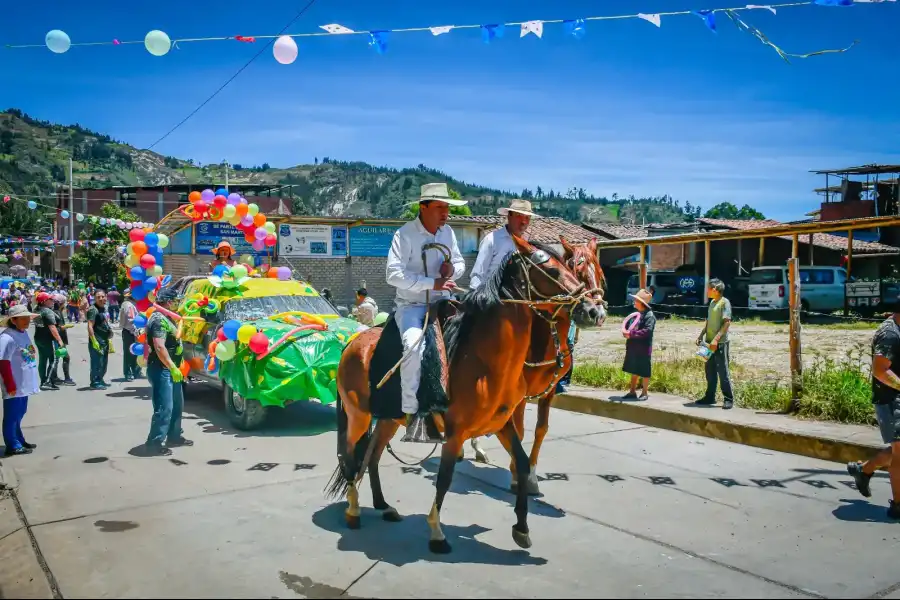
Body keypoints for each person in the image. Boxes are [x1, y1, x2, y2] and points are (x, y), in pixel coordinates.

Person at [386, 182, 466, 444]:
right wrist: (431, 283)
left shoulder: (448, 233)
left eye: (447, 208)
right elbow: (393, 275)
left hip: (444, 301)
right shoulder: (405, 234)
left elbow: (460, 262)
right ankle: (413, 415)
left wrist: (451, 271)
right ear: (424, 207)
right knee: (412, 348)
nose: (446, 213)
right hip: (412, 306)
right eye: (440, 207)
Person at [847, 303, 900, 519]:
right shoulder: (890, 334)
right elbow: (880, 371)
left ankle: (865, 470)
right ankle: (898, 505)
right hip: (891, 399)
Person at [144, 287, 191, 456]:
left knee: (177, 405)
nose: (177, 304)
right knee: (165, 407)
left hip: (173, 369)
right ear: (168, 301)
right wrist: (171, 366)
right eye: (175, 301)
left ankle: (174, 436)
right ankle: (154, 442)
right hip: (162, 368)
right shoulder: (158, 319)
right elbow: (159, 345)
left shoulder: (167, 317)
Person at [469, 198, 537, 291]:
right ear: (509, 216)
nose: (523, 222)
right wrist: (476, 296)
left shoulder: (528, 244)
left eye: (527, 217)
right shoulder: (492, 240)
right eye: (519, 216)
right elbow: (478, 274)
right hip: (492, 299)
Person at [0, 305, 41, 457]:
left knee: (20, 412)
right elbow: (3, 362)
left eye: (28, 317)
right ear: (13, 320)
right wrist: (9, 383)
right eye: (22, 318)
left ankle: (19, 439)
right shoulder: (6, 337)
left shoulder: (22, 333)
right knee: (12, 415)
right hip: (14, 384)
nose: (27, 321)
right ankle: (12, 444)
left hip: (25, 382)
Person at [696, 279, 735, 410]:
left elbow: (727, 322)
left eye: (708, 288)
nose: (706, 291)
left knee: (723, 371)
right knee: (709, 370)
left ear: (715, 290)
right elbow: (708, 321)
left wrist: (716, 340)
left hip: (720, 343)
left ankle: (728, 399)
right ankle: (710, 396)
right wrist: (701, 335)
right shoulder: (712, 303)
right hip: (708, 343)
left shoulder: (725, 303)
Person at [622, 289, 656, 401]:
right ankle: (632, 391)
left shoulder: (649, 316)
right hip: (633, 346)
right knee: (633, 368)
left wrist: (631, 334)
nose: (634, 302)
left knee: (645, 369)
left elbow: (647, 331)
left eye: (636, 300)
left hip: (644, 347)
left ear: (642, 303)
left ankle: (645, 392)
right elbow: (628, 326)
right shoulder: (635, 315)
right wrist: (626, 332)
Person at [33, 292, 66, 391]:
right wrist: (59, 340)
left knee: (43, 360)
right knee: (54, 359)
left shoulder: (36, 310)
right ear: (44, 301)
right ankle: (47, 382)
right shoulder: (47, 311)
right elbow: (52, 327)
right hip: (48, 338)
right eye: (50, 300)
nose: (52, 301)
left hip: (38, 337)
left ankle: (43, 380)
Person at [87, 290, 113, 390]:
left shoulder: (103, 308)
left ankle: (100, 379)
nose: (101, 298)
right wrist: (93, 340)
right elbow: (90, 325)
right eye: (98, 297)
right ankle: (95, 382)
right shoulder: (93, 309)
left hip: (104, 340)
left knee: (103, 362)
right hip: (97, 340)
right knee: (97, 362)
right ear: (95, 298)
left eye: (103, 296)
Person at [50, 293, 75, 387]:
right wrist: (66, 326)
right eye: (63, 303)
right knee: (64, 357)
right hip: (58, 339)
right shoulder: (57, 312)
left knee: (57, 358)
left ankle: (54, 377)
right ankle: (66, 378)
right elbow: (58, 327)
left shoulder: (54, 311)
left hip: (58, 339)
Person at [120, 290, 142, 381]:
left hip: (130, 331)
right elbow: (131, 321)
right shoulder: (129, 305)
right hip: (130, 332)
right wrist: (136, 333)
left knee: (134, 353)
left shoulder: (129, 304)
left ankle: (134, 370)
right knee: (129, 353)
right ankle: (128, 372)